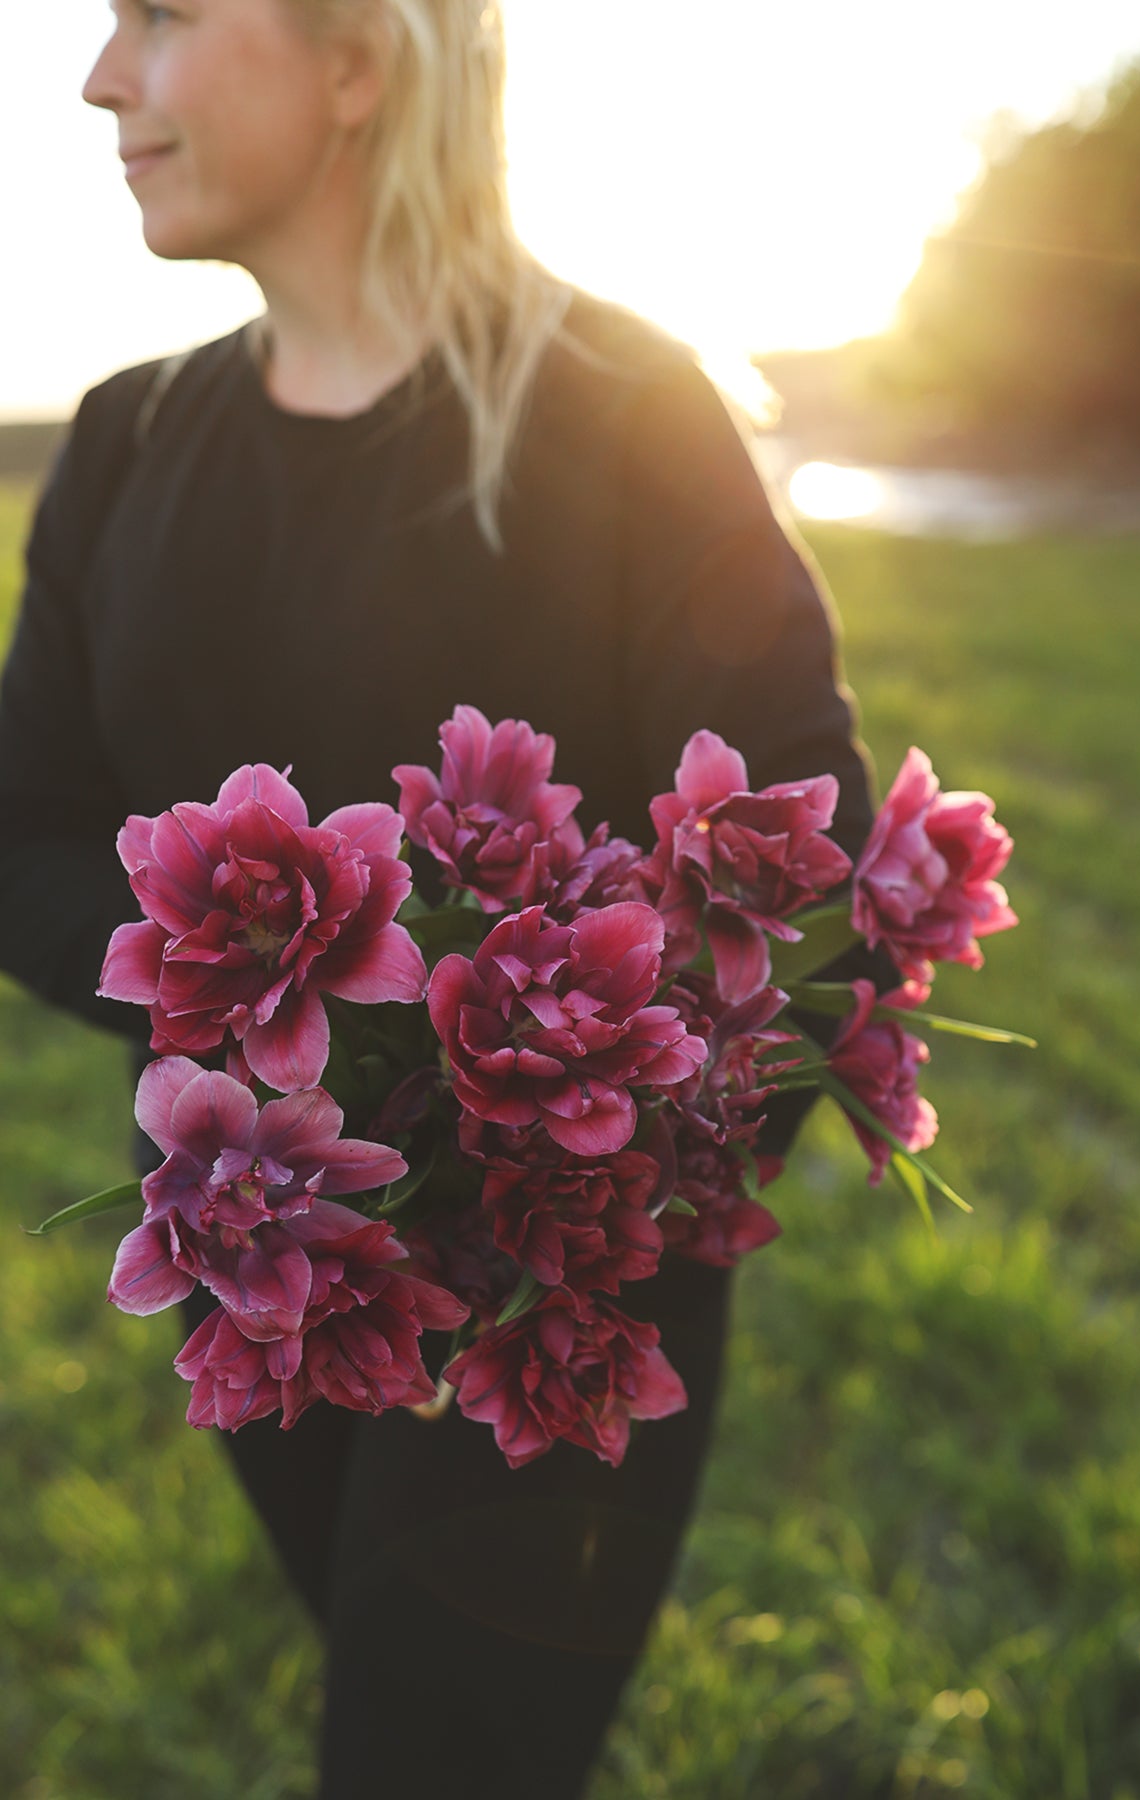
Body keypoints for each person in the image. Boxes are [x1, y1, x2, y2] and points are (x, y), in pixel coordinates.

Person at [0, 2, 889, 1794]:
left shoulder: (624, 408)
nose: (100, 77)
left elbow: (807, 863)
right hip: (264, 1268)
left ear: (357, 62)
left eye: (163, 14)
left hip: (564, 1298)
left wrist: (587, 1170)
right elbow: (29, 833)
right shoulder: (122, 441)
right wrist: (259, 1013)